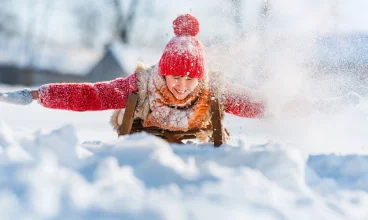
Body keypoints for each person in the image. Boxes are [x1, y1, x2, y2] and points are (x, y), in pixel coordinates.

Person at [0, 14, 360, 143]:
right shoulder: (141, 84)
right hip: (146, 133)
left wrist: (313, 106)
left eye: (191, 79)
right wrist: (36, 94)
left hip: (197, 136)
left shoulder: (211, 89)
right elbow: (91, 94)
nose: (182, 85)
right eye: (176, 77)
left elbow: (260, 105)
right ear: (164, 70)